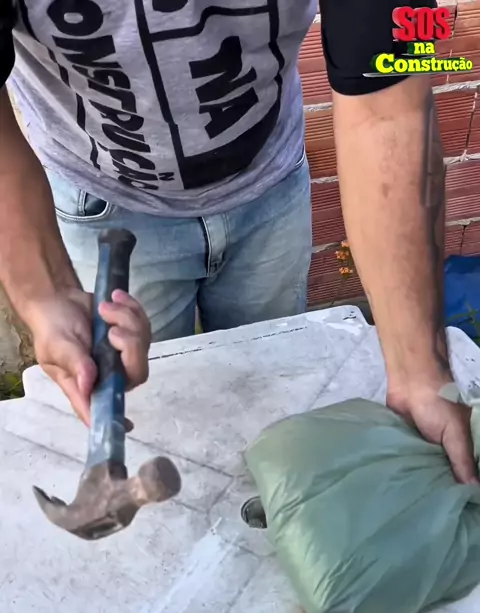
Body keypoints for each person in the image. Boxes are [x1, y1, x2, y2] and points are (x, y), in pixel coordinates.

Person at [0, 0, 477, 484]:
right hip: (104, 199)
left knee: (277, 393)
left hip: (269, 184)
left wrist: (420, 371)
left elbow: (387, 106)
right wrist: (46, 292)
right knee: (151, 422)